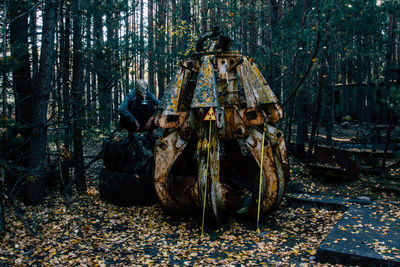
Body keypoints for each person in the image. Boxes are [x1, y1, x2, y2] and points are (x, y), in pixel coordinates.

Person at [118, 79, 160, 144]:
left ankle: (150, 134)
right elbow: (121, 109)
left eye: (145, 89)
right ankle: (130, 136)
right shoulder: (131, 95)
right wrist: (133, 120)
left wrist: (151, 119)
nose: (143, 93)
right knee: (123, 117)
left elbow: (161, 106)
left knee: (159, 114)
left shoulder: (149, 95)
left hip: (147, 121)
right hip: (135, 122)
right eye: (141, 90)